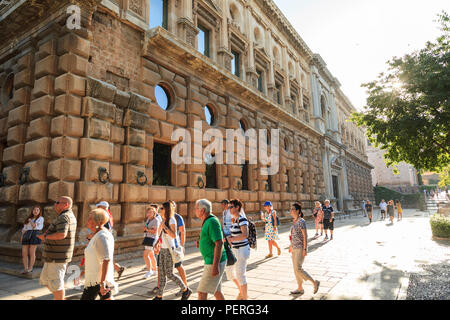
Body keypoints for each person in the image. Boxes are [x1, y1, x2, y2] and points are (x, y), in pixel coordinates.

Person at [37, 196, 77, 300]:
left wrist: (45, 237)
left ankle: (60, 298)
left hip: (56, 257)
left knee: (56, 283)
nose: (55, 204)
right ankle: (59, 298)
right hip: (53, 256)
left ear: (66, 205)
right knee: (45, 280)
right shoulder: (68, 215)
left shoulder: (63, 217)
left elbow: (61, 235)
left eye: (57, 202)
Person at [152, 202, 191, 300]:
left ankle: (185, 290)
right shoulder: (163, 219)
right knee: (161, 274)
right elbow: (160, 234)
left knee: (169, 274)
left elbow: (173, 235)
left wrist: (164, 226)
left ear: (166, 209)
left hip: (170, 250)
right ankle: (159, 296)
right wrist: (157, 243)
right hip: (162, 249)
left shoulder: (172, 219)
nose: (160, 209)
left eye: (162, 208)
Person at [81, 208, 118, 300]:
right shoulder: (97, 234)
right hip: (95, 278)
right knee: (107, 298)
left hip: (96, 280)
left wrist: (102, 283)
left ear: (97, 222)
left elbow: (106, 259)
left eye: (90, 219)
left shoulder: (102, 236)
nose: (87, 221)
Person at [196, 199, 227, 300]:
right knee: (217, 291)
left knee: (201, 292)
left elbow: (219, 243)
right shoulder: (207, 220)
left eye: (196, 208)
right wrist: (201, 242)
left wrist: (215, 266)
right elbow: (212, 238)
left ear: (202, 210)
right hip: (211, 260)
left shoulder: (212, 221)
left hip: (213, 261)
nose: (195, 210)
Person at [288, 203, 320, 296]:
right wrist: (290, 246)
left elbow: (305, 235)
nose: (290, 211)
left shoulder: (301, 221)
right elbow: (293, 235)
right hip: (294, 248)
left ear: (297, 211)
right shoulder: (294, 221)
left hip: (300, 248)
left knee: (298, 269)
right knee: (295, 269)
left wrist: (305, 249)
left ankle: (314, 282)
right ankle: (300, 288)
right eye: (290, 209)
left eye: (292, 209)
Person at [225, 199, 250, 300]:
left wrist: (232, 239)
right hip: (235, 250)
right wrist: (229, 238)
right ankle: (242, 292)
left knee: (240, 275)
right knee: (230, 273)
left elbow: (245, 234)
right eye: (229, 207)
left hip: (241, 250)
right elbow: (236, 233)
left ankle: (244, 297)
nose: (229, 209)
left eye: (231, 207)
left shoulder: (242, 219)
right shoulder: (234, 219)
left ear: (237, 207)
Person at [95, 201, 125, 280]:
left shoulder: (105, 216)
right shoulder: (106, 215)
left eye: (99, 207)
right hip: (106, 239)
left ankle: (115, 270)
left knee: (106, 257)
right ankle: (118, 268)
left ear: (104, 208)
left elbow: (107, 229)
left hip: (105, 239)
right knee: (107, 257)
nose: (97, 208)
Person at [170, 200, 189, 297]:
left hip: (175, 246)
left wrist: (182, 245)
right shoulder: (164, 216)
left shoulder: (177, 217)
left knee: (178, 266)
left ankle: (185, 287)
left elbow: (182, 231)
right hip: (165, 247)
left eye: (172, 205)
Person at [21, 205, 44, 274]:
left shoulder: (40, 218)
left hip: (35, 234)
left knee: (32, 252)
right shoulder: (28, 218)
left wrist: (30, 221)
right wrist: (22, 236)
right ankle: (25, 268)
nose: (36, 211)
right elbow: (24, 229)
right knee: (24, 253)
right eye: (34, 210)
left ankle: (30, 268)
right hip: (27, 234)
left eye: (37, 210)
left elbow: (34, 226)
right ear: (32, 211)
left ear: (39, 211)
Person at [143, 206, 160, 279]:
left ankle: (149, 271)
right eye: (148, 212)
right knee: (151, 255)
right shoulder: (148, 220)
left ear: (154, 213)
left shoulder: (156, 220)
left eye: (150, 212)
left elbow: (155, 231)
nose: (149, 214)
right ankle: (155, 270)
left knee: (145, 255)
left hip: (152, 239)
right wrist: (146, 230)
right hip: (147, 238)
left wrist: (147, 230)